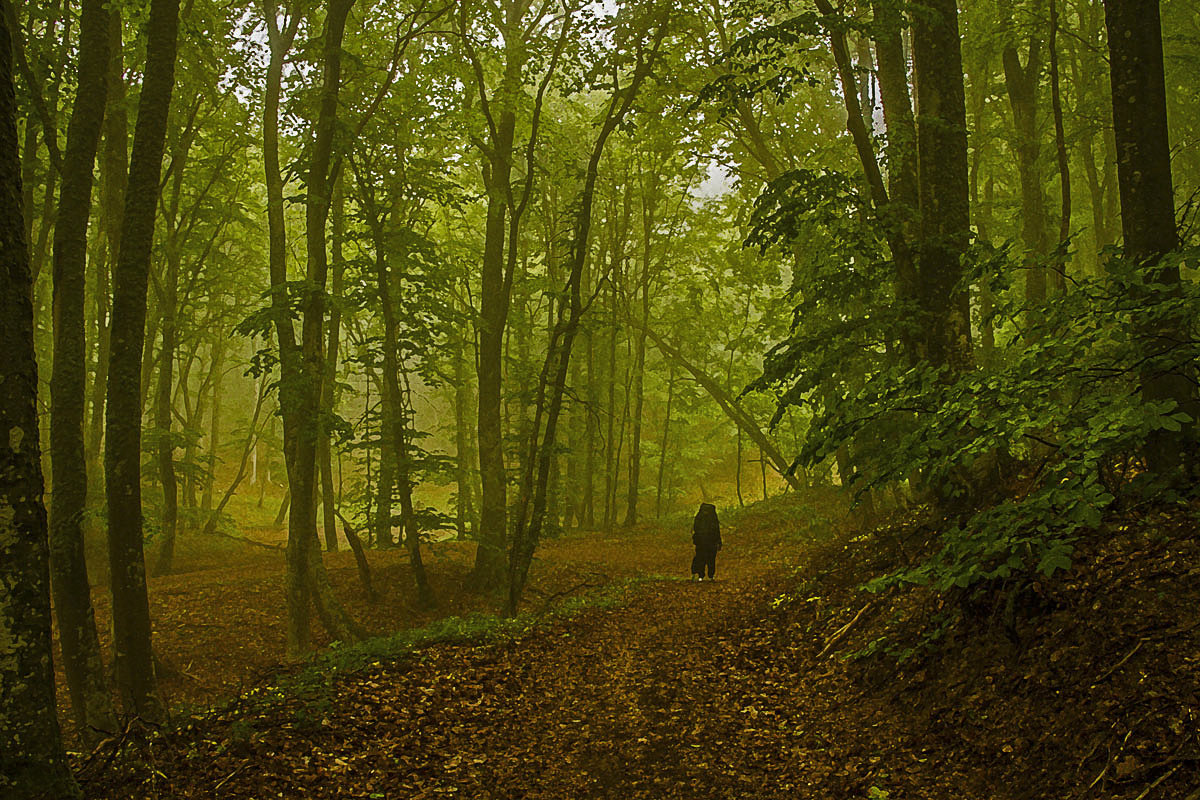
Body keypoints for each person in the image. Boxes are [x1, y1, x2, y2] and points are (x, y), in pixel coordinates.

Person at [690, 502, 722, 581]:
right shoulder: (711, 517)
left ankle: (705, 575)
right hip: (706, 542)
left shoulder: (700, 517)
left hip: (706, 542)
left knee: (704, 559)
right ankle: (706, 575)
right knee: (707, 559)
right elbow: (716, 531)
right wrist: (719, 541)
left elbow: (716, 530)